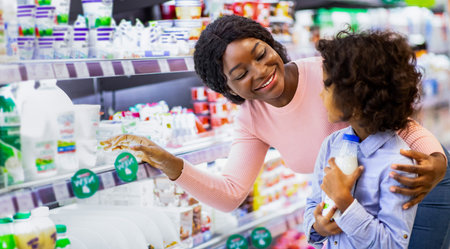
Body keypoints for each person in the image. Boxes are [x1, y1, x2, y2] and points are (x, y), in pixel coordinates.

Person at [102, 15, 449, 248]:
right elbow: (230, 193)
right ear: (229, 89)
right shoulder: (253, 118)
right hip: (353, 209)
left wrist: (436, 163)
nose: (261, 71)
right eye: (240, 73)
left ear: (271, 44)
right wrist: (169, 163)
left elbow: (398, 124)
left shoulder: (328, 74)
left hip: (412, 182)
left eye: (261, 53)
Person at [304, 29, 421, 249]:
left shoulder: (399, 164)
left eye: (328, 86)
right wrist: (317, 227)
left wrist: (345, 203)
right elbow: (312, 203)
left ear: (357, 98)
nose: (321, 94)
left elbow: (393, 244)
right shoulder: (331, 144)